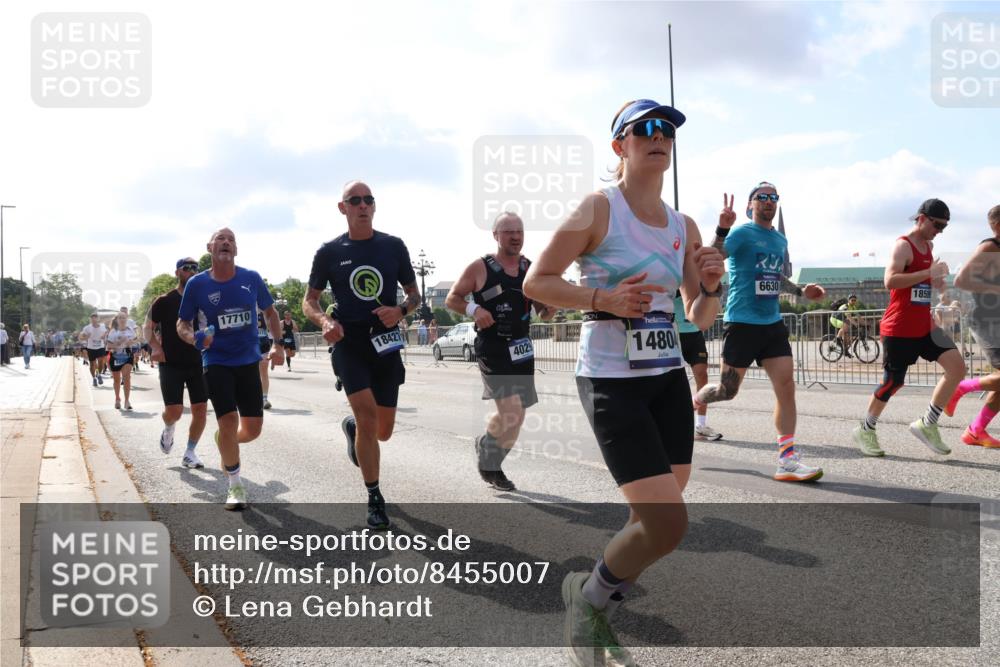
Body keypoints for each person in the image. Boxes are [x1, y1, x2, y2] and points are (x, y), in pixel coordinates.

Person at [524, 99, 724, 664]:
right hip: (611, 379)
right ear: (621, 146)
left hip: (665, 379)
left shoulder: (683, 225)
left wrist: (710, 285)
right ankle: (586, 602)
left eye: (667, 130)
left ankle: (596, 599)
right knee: (668, 524)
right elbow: (538, 282)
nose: (658, 137)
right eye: (645, 129)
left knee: (652, 517)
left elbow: (700, 315)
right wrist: (601, 298)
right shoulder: (599, 209)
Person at [303, 181, 421, 530]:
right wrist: (324, 320)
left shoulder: (393, 246)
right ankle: (374, 496)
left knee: (382, 431)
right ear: (343, 208)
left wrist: (400, 311)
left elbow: (414, 296)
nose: (363, 205)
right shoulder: (329, 252)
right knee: (370, 420)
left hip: (385, 342)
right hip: (348, 343)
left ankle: (354, 431)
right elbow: (309, 300)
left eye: (368, 200)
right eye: (355, 200)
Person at [698, 181, 826, 482]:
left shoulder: (779, 240)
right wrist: (721, 228)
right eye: (762, 197)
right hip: (742, 323)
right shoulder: (742, 233)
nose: (769, 201)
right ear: (750, 205)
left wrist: (799, 290)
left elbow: (774, 275)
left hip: (771, 324)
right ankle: (695, 402)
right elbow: (713, 257)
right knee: (727, 391)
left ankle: (787, 459)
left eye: (773, 197)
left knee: (786, 387)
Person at [446, 211, 558, 491]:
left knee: (517, 418)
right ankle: (490, 462)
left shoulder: (530, 268)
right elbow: (452, 298)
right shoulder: (480, 267)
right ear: (495, 235)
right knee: (510, 410)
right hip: (493, 347)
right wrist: (475, 309)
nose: (515, 236)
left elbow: (543, 311)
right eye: (508, 231)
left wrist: (549, 310)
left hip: (521, 347)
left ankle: (490, 457)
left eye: (519, 231)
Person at [178, 228, 285, 510]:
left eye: (232, 240)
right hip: (216, 361)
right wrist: (194, 339)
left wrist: (277, 345)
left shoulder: (250, 278)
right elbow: (183, 324)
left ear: (235, 250)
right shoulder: (197, 285)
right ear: (210, 247)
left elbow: (270, 312)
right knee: (227, 420)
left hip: (249, 360)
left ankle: (224, 442)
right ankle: (235, 486)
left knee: (252, 430)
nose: (226, 242)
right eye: (221, 239)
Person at [851, 198, 963, 457]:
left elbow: (922, 282)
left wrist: (937, 281)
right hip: (899, 327)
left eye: (944, 227)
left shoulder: (929, 246)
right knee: (893, 383)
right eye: (937, 225)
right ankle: (866, 429)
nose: (940, 231)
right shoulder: (903, 245)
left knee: (957, 367)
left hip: (925, 325)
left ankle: (927, 423)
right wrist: (927, 273)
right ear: (921, 218)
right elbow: (890, 280)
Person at [145, 258, 209, 468]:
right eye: (186, 268)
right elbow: (147, 327)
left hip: (198, 361)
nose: (191, 271)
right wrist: (155, 347)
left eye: (195, 268)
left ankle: (190, 452)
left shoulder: (204, 299)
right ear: (177, 273)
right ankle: (169, 427)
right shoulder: (164, 300)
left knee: (200, 408)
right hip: (171, 362)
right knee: (175, 411)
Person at [946, 204, 1000, 448]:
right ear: (997, 226)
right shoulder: (990, 247)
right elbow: (962, 279)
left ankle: (976, 431)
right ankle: (960, 388)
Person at [673, 290, 722, 440]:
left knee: (702, 375)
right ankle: (671, 422)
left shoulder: (697, 278)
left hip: (694, 334)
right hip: (673, 332)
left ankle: (701, 424)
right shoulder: (674, 274)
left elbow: (715, 306)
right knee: (674, 379)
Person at [106, 312, 136, 410]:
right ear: (117, 320)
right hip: (116, 357)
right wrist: (118, 343)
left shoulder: (130, 330)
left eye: (124, 318)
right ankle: (117, 398)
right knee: (116, 380)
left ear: (126, 319)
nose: (122, 319)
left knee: (126, 377)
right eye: (120, 318)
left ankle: (127, 401)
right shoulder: (113, 332)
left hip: (127, 356)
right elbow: (108, 346)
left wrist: (130, 342)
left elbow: (135, 341)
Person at [933, 290, 968, 358]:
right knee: (949, 341)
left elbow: (957, 313)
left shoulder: (950, 305)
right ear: (942, 298)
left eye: (948, 296)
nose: (949, 297)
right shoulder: (939, 306)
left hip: (953, 325)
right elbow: (941, 319)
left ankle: (965, 351)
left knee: (960, 338)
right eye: (947, 296)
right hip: (945, 326)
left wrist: (955, 317)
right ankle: (950, 354)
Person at [79, 313, 108, 386]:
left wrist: (104, 335)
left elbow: (106, 332)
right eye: (92, 318)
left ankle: (99, 374)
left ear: (98, 319)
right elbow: (81, 337)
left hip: (100, 347)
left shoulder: (102, 326)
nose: (94, 319)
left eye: (95, 318)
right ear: (90, 319)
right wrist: (86, 337)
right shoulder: (87, 328)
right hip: (91, 348)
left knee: (101, 362)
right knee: (92, 364)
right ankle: (94, 378)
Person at [257, 307, 273, 409]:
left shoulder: (265, 310)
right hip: (249, 345)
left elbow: (271, 328)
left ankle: (264, 399)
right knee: (251, 373)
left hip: (263, 344)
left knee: (263, 372)